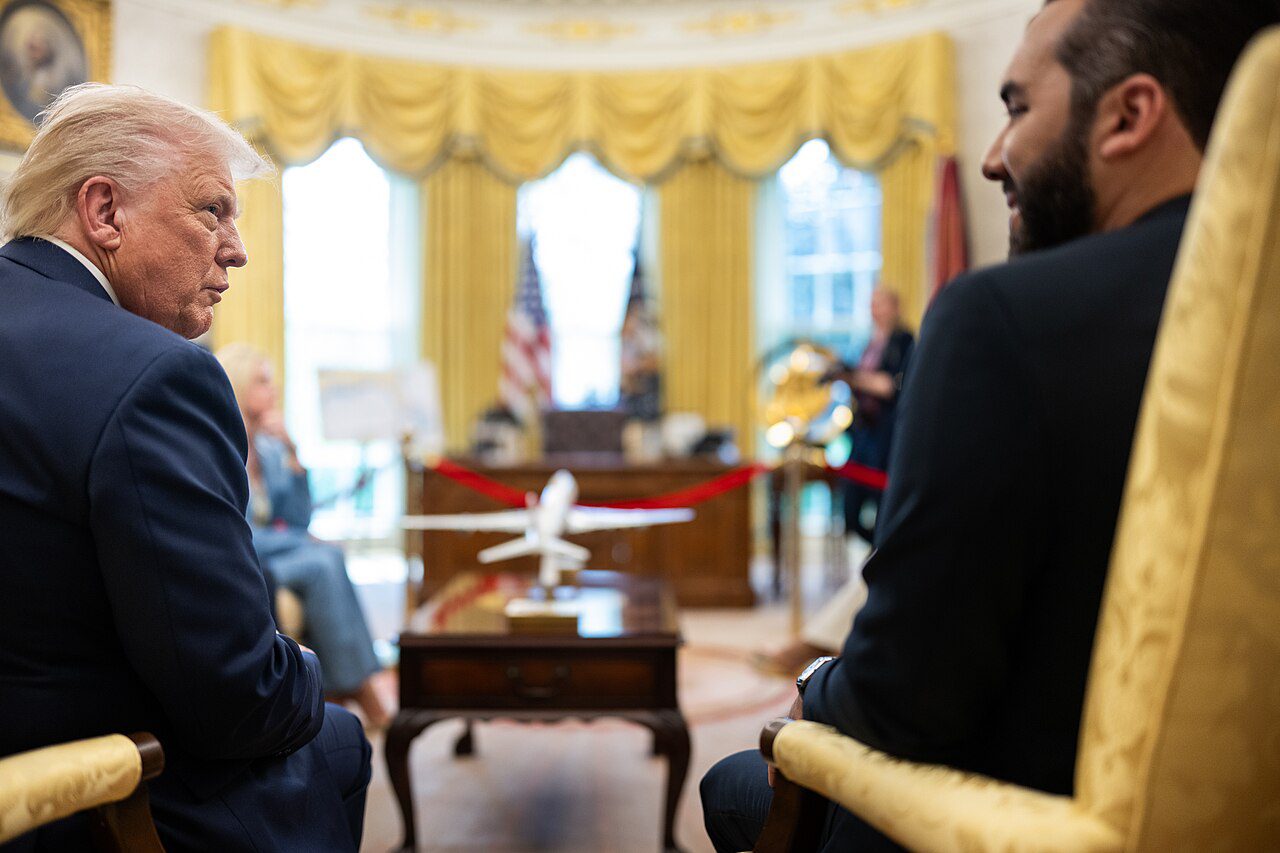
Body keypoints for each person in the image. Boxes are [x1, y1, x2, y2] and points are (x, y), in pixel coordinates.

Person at [700, 2, 1280, 851]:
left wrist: (816, 682)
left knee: (732, 780)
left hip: (1018, 813)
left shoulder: (1000, 318)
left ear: (1129, 115)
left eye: (1017, 108)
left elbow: (897, 702)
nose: (991, 156)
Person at [0, 84, 370, 851]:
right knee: (341, 736)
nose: (237, 248)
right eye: (212, 210)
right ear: (105, 211)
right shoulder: (154, 375)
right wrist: (305, 666)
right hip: (85, 798)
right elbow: (239, 699)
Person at [216, 342, 392, 729]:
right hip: (248, 558)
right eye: (262, 381)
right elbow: (239, 532)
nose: (273, 390)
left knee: (328, 557)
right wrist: (302, 541)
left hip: (276, 552)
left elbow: (299, 518)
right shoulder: (222, 445)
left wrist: (292, 451)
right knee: (321, 563)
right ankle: (360, 690)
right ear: (239, 385)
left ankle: (347, 689)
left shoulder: (268, 447)